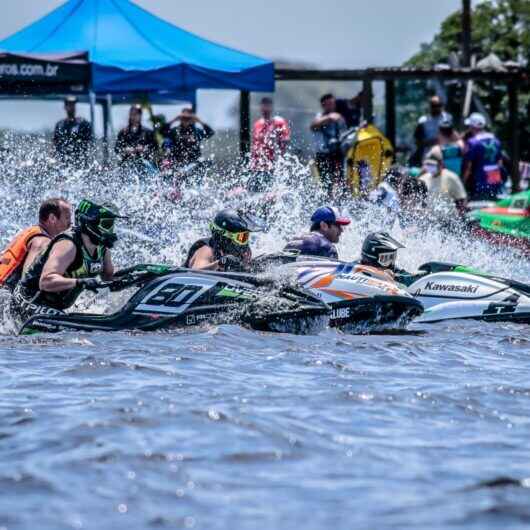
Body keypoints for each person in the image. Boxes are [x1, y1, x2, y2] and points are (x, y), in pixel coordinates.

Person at [11, 200, 123, 323]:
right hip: (28, 300)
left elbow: (109, 278)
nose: (111, 230)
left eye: (113, 224)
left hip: (53, 306)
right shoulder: (67, 245)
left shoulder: (103, 249)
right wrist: (80, 282)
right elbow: (46, 281)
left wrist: (135, 279)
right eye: (107, 224)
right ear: (89, 223)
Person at [0, 198, 72, 291]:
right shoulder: (42, 242)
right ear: (52, 218)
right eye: (67, 218)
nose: (70, 223)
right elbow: (27, 282)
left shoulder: (30, 231)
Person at [184, 209, 262, 272]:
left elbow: (248, 268)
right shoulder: (207, 250)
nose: (245, 242)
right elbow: (195, 271)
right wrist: (220, 263)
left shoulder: (243, 252)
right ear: (225, 237)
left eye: (245, 237)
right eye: (241, 238)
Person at [248, 97, 291, 192]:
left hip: (272, 165)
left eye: (267, 105)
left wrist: (275, 136)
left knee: (270, 192)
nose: (265, 108)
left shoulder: (278, 122)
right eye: (263, 105)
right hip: (256, 165)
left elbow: (286, 139)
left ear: (271, 107)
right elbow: (254, 143)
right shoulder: (257, 124)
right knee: (254, 191)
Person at [310, 94, 347, 198]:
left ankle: (339, 202)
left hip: (337, 154)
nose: (332, 106)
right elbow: (313, 125)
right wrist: (329, 118)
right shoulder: (320, 116)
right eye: (329, 104)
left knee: (340, 181)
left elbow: (345, 132)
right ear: (323, 105)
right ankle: (327, 201)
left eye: (333, 103)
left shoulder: (339, 117)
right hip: (323, 155)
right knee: (326, 183)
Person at [462, 112, 503, 200]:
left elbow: (468, 167)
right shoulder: (495, 140)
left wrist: (463, 182)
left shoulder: (472, 142)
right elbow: (499, 162)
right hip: (495, 180)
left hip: (480, 181)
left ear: (472, 127)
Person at [283, 206, 351, 259]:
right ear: (324, 225)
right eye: (338, 225)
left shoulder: (294, 240)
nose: (341, 230)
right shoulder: (327, 247)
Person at [411, 96, 452, 166]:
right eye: (434, 106)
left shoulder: (447, 118)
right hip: (429, 155)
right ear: (430, 106)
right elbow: (417, 141)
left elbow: (452, 136)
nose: (436, 108)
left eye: (439, 105)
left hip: (445, 154)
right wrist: (431, 142)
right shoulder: (423, 121)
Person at [53, 96, 93, 166]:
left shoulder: (82, 124)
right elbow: (55, 142)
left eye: (73, 105)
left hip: (79, 161)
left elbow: (89, 141)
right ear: (65, 107)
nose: (72, 107)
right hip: (63, 161)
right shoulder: (60, 125)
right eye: (69, 105)